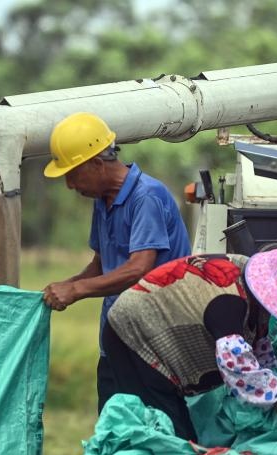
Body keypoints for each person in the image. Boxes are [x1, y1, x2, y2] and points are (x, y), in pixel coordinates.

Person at [40, 112, 191, 413]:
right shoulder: (103, 200)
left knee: (153, 429)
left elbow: (140, 268)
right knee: (113, 425)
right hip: (117, 336)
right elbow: (102, 263)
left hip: (155, 343)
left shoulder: (146, 196)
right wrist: (65, 286)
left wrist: (78, 290)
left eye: (72, 174)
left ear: (97, 164)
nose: (70, 185)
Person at [103, 246, 277, 441]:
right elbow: (235, 362)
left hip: (147, 332)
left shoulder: (249, 283)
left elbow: (260, 346)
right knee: (168, 435)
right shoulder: (229, 302)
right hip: (134, 334)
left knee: (176, 431)